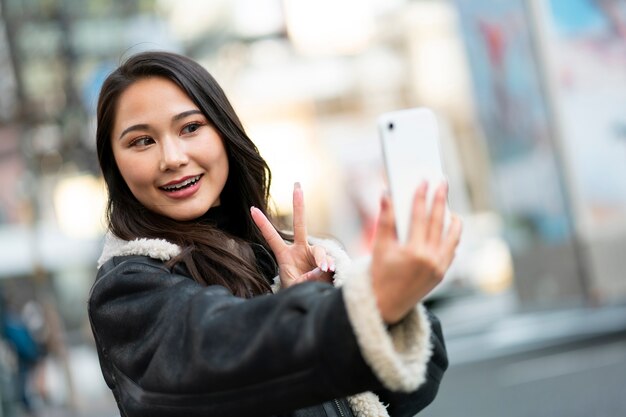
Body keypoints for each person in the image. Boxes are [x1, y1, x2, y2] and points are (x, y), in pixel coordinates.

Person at [88, 50, 463, 417]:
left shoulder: (279, 253)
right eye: (141, 141)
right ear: (114, 165)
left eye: (190, 127)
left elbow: (416, 381)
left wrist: (314, 297)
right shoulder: (127, 290)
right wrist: (367, 302)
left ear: (224, 132)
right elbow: (215, 347)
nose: (172, 157)